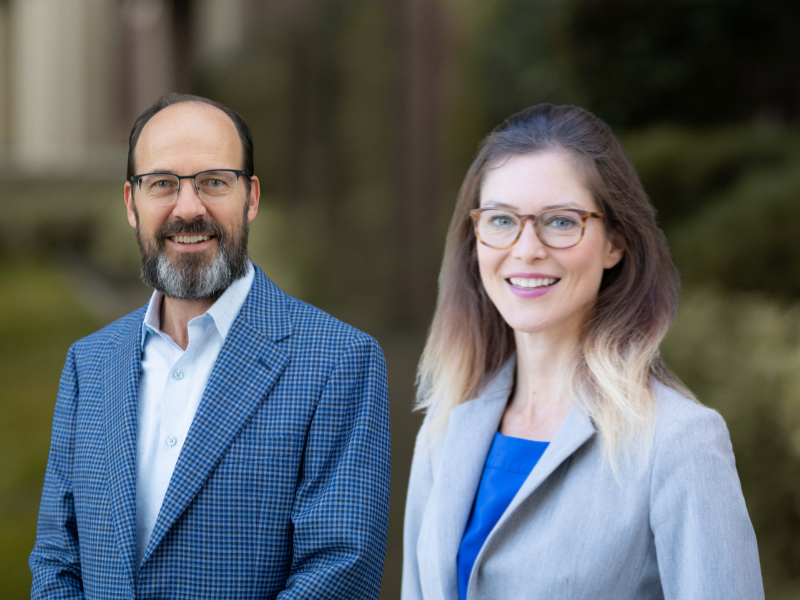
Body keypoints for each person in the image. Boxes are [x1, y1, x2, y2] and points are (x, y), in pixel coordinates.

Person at [29, 93, 391, 599]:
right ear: (132, 204)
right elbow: (56, 558)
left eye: (214, 182)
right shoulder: (88, 363)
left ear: (251, 198)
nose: (188, 208)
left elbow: (339, 575)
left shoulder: (339, 361)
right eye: (162, 183)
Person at [402, 104, 763, 600]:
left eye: (560, 221)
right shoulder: (444, 429)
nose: (526, 249)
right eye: (502, 219)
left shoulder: (678, 442)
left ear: (615, 242)